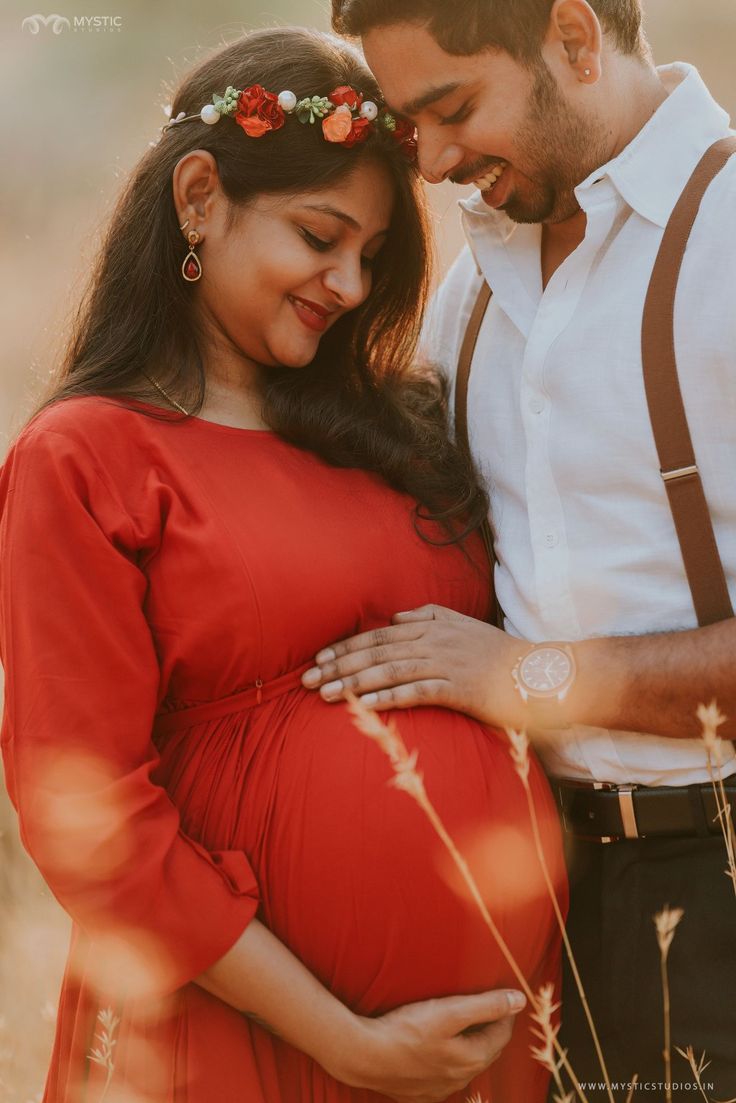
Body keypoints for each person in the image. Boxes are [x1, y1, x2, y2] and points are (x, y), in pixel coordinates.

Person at [0, 26, 567, 1103]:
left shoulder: (392, 428)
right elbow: (91, 821)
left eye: (373, 257)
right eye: (321, 236)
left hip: (486, 1048)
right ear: (201, 194)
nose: (350, 284)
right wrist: (345, 1039)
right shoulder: (86, 456)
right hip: (234, 1038)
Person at [314, 0, 736, 1097]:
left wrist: (523, 678)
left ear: (574, 34)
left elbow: (511, 661)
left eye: (452, 108)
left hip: (719, 877)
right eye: (414, 127)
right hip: (538, 898)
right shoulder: (472, 287)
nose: (438, 161)